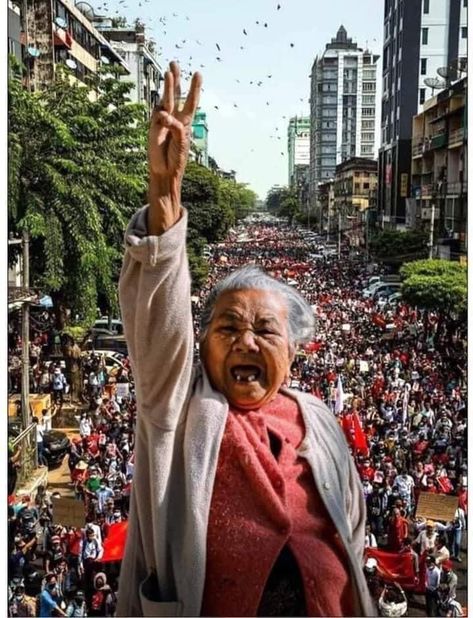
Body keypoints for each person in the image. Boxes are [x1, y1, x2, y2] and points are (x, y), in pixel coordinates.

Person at [116, 61, 373, 616]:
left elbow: (350, 532)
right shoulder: (178, 410)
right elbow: (159, 327)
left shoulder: (321, 422)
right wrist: (165, 191)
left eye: (265, 330)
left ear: (294, 350)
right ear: (200, 344)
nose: (246, 343)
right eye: (227, 327)